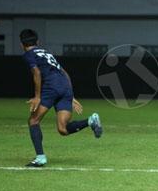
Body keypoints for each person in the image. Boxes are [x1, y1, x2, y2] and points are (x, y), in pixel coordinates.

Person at [20, 29, 102, 167]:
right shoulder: (46, 53)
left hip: (51, 87)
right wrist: (70, 94)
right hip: (64, 85)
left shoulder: (28, 54)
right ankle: (91, 120)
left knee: (33, 121)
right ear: (37, 42)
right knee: (63, 129)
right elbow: (64, 72)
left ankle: (40, 158)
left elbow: (36, 73)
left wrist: (37, 96)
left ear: (22, 44)